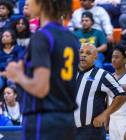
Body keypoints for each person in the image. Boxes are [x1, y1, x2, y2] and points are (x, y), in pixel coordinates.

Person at [2, 0, 79, 139]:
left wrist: (17, 75)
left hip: (43, 119)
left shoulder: (42, 36)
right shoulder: (71, 37)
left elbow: (40, 88)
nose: (27, 2)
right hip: (66, 119)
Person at [74, 44, 126, 140]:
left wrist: (105, 114)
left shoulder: (102, 75)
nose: (83, 55)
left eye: (88, 53)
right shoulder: (71, 74)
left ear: (95, 58)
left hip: (91, 132)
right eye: (81, 52)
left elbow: (122, 96)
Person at [109, 46, 126, 140]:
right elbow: (108, 104)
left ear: (125, 60)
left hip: (125, 120)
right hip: (112, 120)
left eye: (117, 57)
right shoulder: (110, 77)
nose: (113, 60)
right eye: (112, 57)